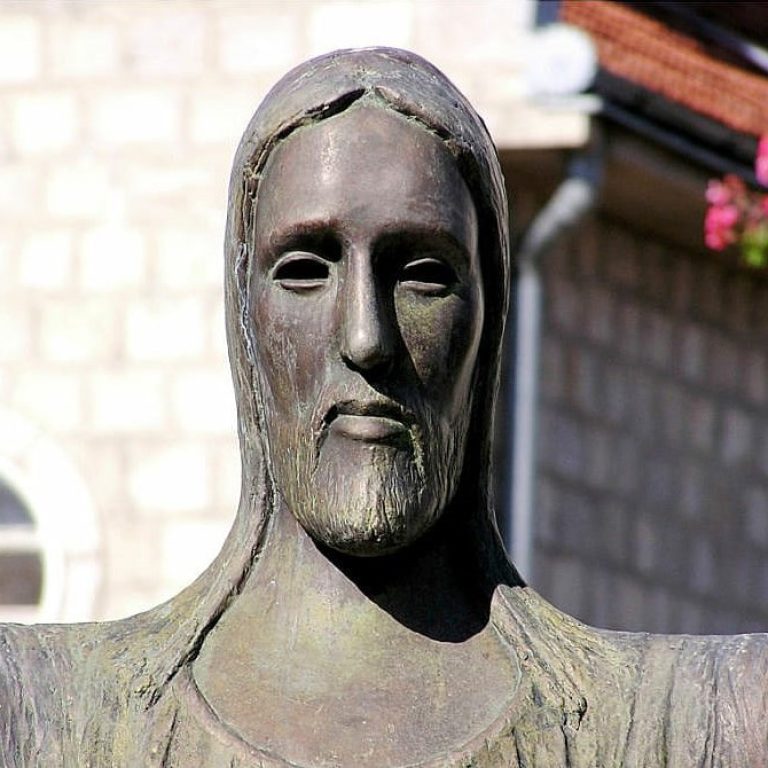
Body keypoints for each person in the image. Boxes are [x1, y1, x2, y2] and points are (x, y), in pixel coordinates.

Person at [1, 48, 767, 768]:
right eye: (305, 270)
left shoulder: (695, 722)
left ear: (489, 319)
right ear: (244, 314)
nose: (367, 338)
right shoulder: (40, 714)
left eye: (424, 275)